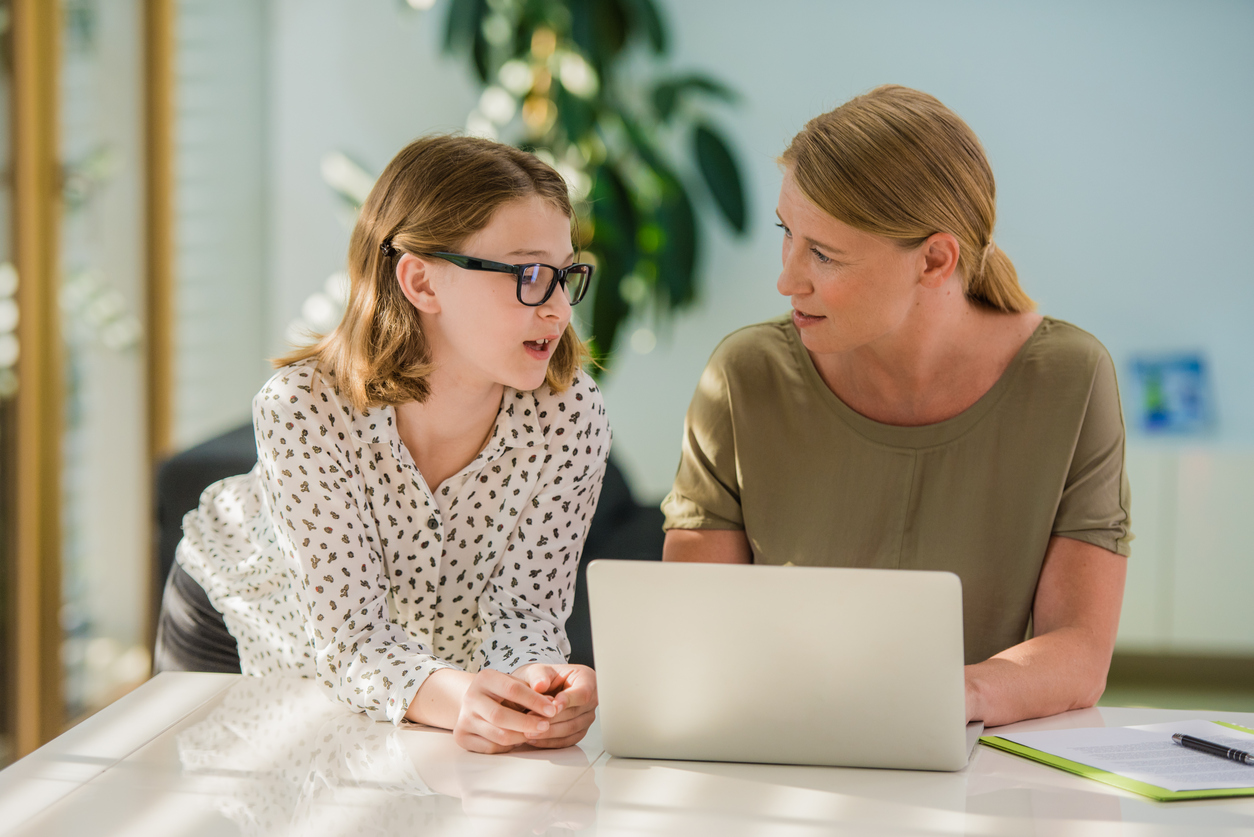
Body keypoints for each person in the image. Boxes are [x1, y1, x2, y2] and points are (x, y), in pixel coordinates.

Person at [662, 86, 1131, 728]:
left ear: (935, 260)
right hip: (776, 753)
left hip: (976, 772)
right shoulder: (744, 376)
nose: (787, 279)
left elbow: (1078, 654)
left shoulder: (1072, 379)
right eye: (787, 234)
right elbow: (689, 629)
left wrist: (951, 698)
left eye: (823, 254)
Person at [174, 135, 610, 753]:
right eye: (531, 275)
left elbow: (525, 616)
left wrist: (534, 687)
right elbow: (352, 641)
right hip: (241, 619)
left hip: (415, 668)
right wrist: (464, 699)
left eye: (566, 275)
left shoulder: (572, 416)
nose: (561, 310)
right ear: (422, 283)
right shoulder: (302, 409)